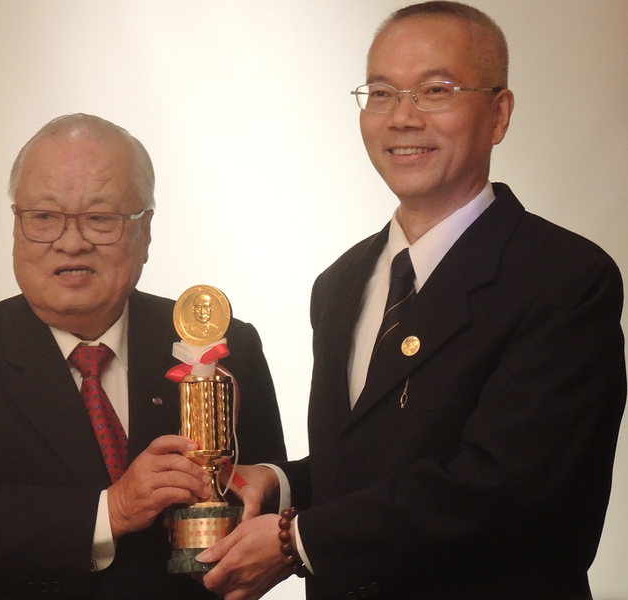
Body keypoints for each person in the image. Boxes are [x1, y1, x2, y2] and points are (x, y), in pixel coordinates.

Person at [199, 3, 626, 600]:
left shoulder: (564, 279)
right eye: (380, 93)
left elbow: (505, 489)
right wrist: (280, 485)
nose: (402, 117)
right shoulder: (340, 283)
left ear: (499, 114)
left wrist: (298, 541)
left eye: (435, 90)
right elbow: (375, 466)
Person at [0, 113, 287, 600]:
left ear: (145, 230)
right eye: (44, 217)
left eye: (100, 218)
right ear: (16, 227)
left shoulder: (224, 347)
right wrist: (109, 511)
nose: (71, 242)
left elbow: (269, 508)